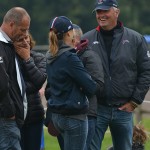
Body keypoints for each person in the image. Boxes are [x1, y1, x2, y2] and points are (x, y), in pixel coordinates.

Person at [82, 0, 150, 150]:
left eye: (105, 11)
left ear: (116, 12)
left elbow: (146, 72)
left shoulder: (135, 39)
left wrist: (134, 101)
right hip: (96, 109)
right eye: (98, 12)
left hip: (124, 110)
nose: (101, 15)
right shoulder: (86, 40)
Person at [45, 16, 101, 150]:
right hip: (74, 117)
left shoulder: (50, 55)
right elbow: (91, 87)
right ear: (69, 33)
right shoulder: (70, 57)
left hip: (57, 115)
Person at [0, 7, 30, 150]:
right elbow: (2, 84)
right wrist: (10, 111)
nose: (24, 34)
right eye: (23, 30)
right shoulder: (1, 46)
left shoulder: (9, 45)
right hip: (5, 119)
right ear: (11, 24)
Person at [73, 24, 104, 150]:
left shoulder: (90, 56)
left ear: (76, 39)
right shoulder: (63, 55)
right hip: (67, 113)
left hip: (87, 113)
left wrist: (76, 89)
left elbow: (98, 84)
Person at [14, 33, 47, 150]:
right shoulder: (10, 59)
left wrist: (27, 60)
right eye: (20, 39)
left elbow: (39, 81)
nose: (24, 41)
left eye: (26, 37)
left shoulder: (38, 57)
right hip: (15, 117)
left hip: (34, 116)